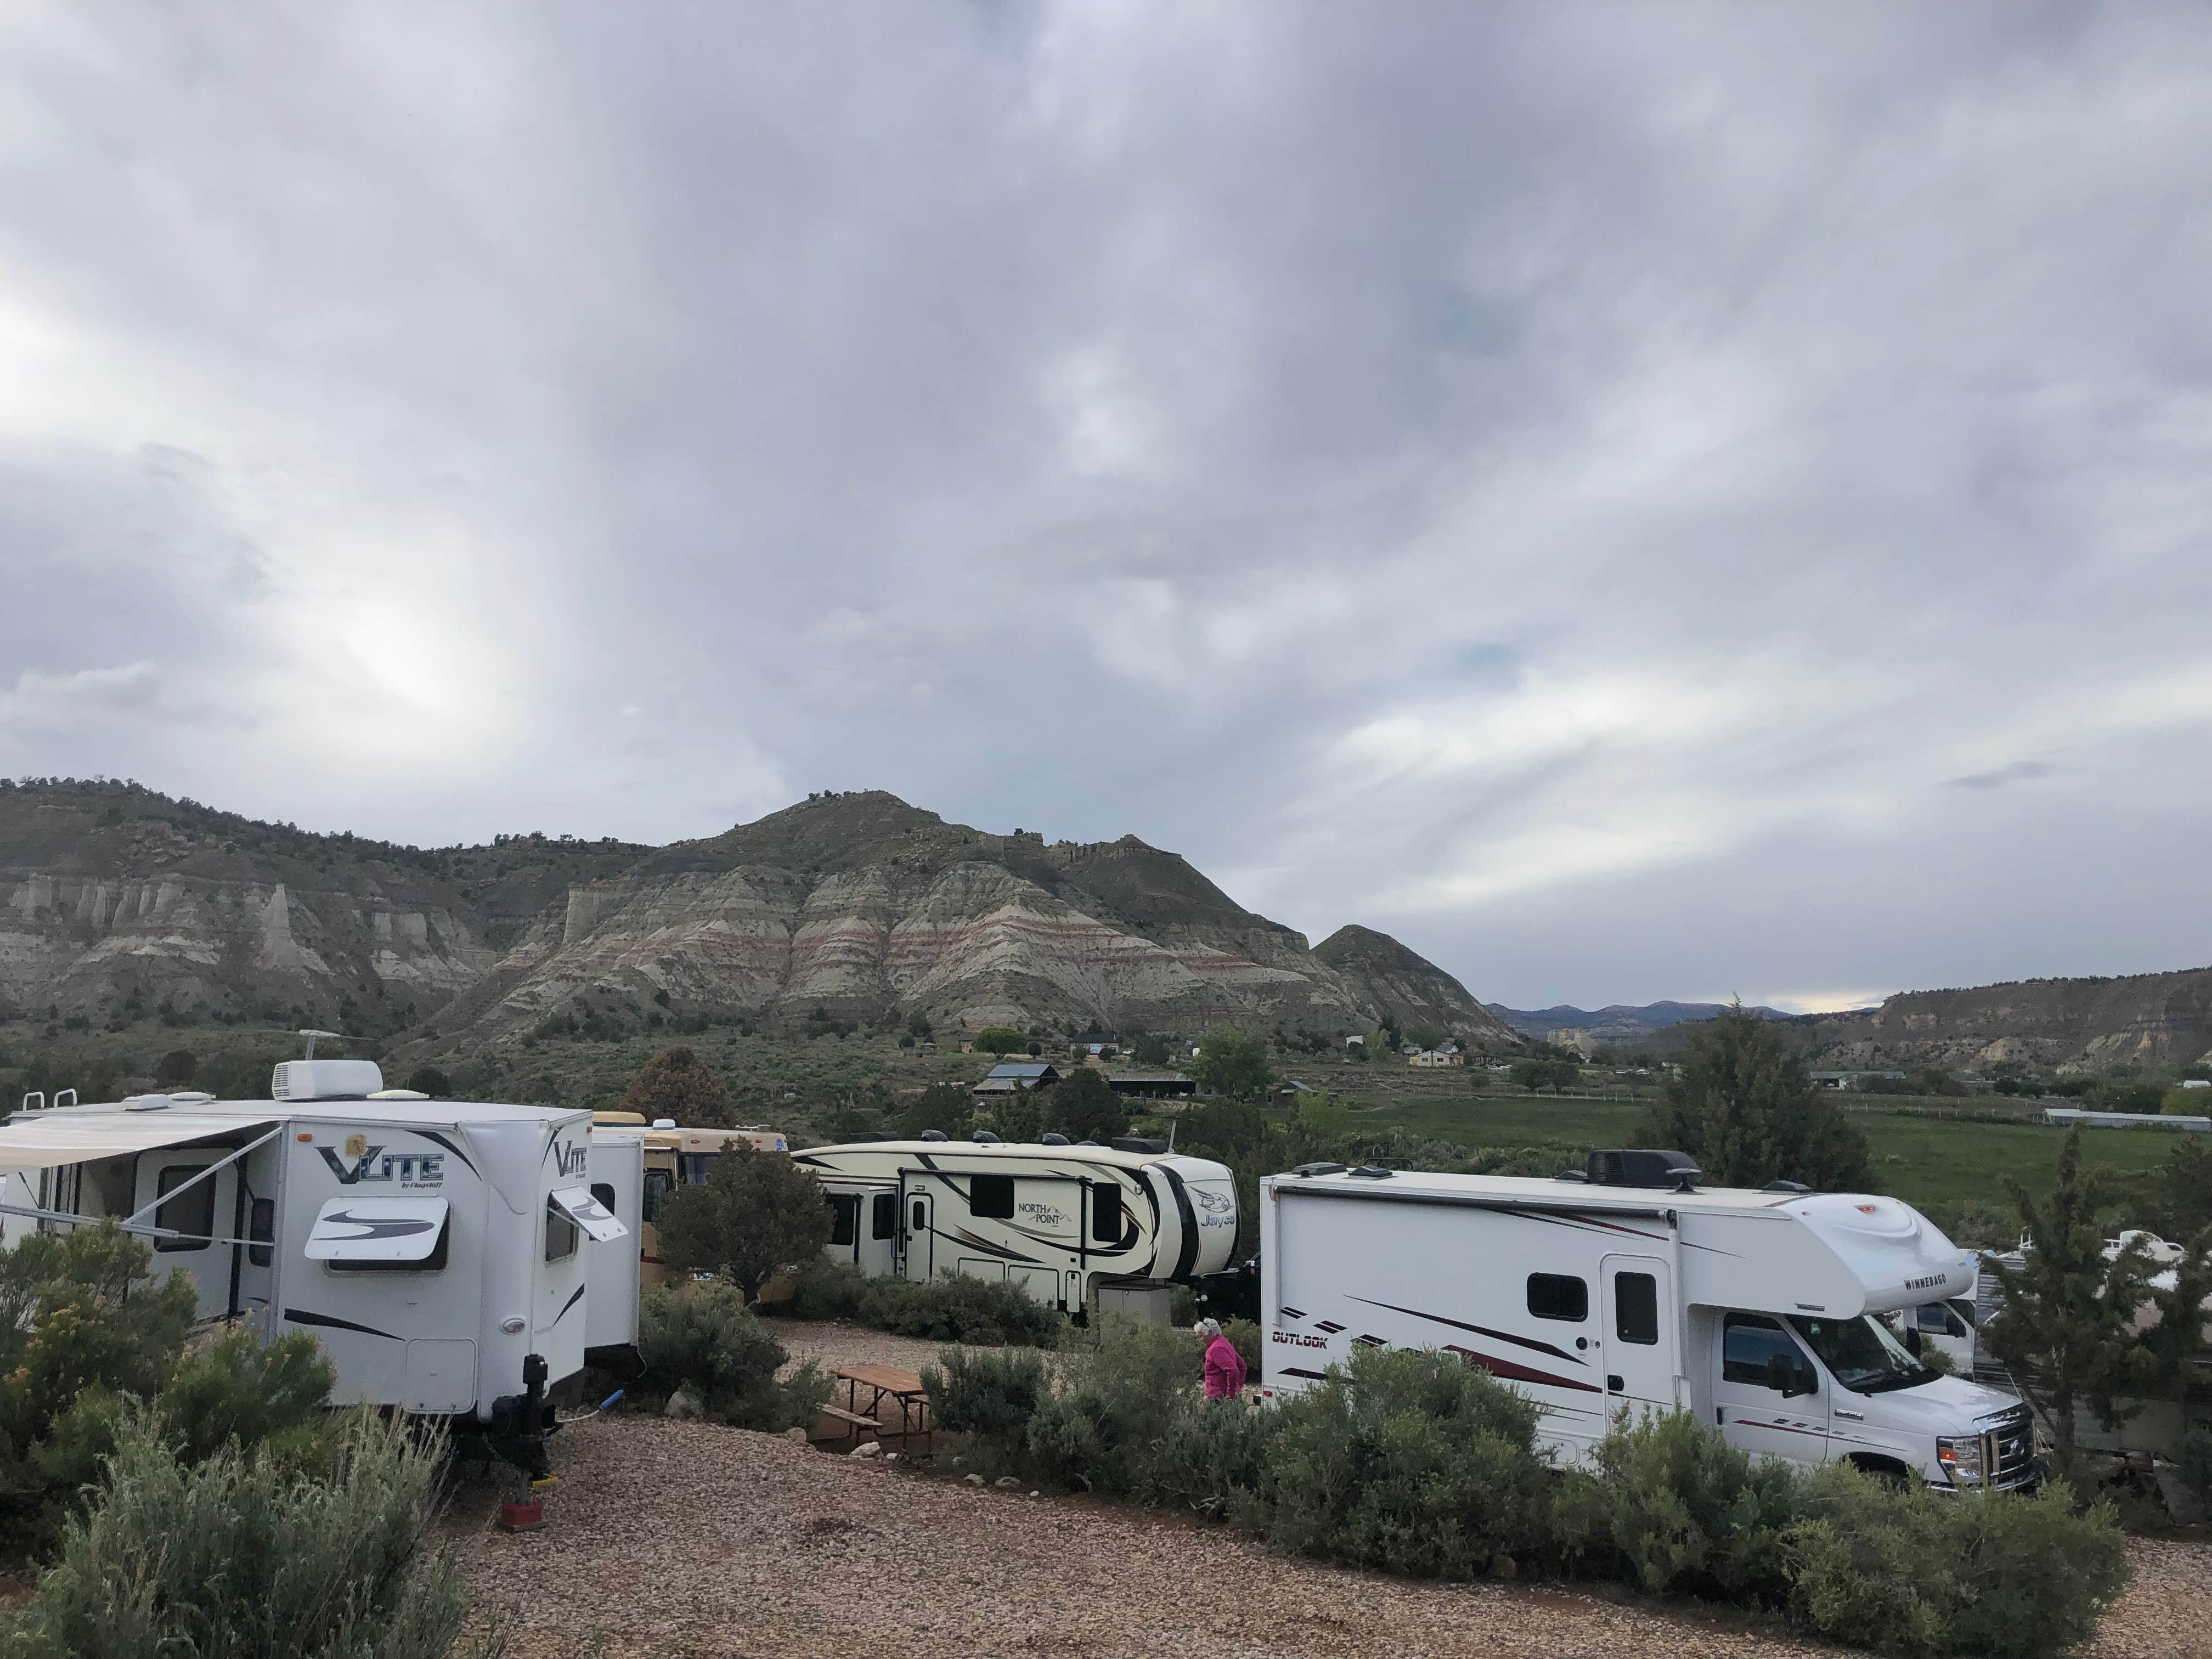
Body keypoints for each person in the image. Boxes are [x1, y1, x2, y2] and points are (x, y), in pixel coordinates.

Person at [1198, 1317, 1246, 1401]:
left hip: (1219, 1397)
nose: (1201, 1340)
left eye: (1201, 1335)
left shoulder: (1216, 1349)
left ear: (1209, 1333)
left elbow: (1233, 1371)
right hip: (1226, 1396)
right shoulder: (1223, 1343)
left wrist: (1230, 1395)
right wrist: (1237, 1389)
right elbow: (1242, 1366)